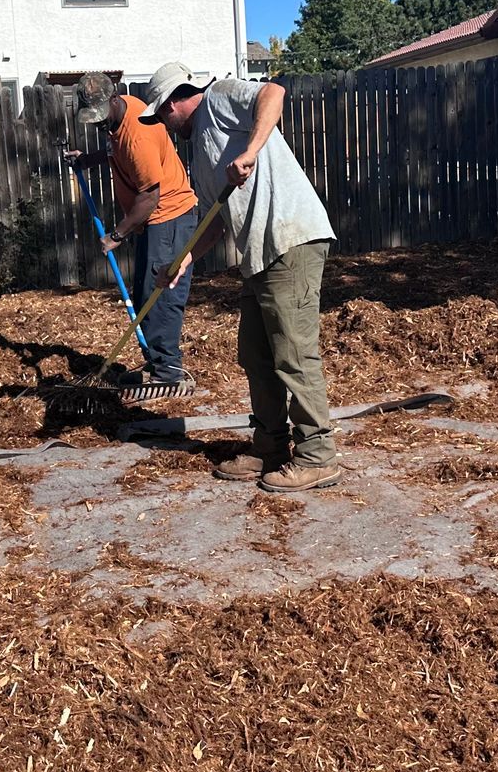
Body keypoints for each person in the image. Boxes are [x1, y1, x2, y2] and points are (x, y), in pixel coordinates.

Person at [142, 61, 340, 494]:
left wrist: (250, 151)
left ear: (177, 100)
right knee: (256, 354)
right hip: (258, 253)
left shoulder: (220, 97)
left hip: (290, 239)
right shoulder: (198, 150)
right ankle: (270, 445)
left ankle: (317, 456)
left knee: (293, 353)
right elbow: (216, 218)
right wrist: (182, 261)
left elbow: (273, 93)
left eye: (162, 114)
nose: (163, 124)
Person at [64, 71, 197, 390]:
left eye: (99, 117)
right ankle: (156, 363)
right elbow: (116, 151)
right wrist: (89, 159)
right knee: (145, 294)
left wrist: (116, 235)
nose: (97, 124)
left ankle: (168, 374)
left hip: (168, 216)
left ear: (113, 99)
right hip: (156, 221)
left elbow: (149, 198)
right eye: (91, 119)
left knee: (160, 296)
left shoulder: (138, 132)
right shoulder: (122, 114)